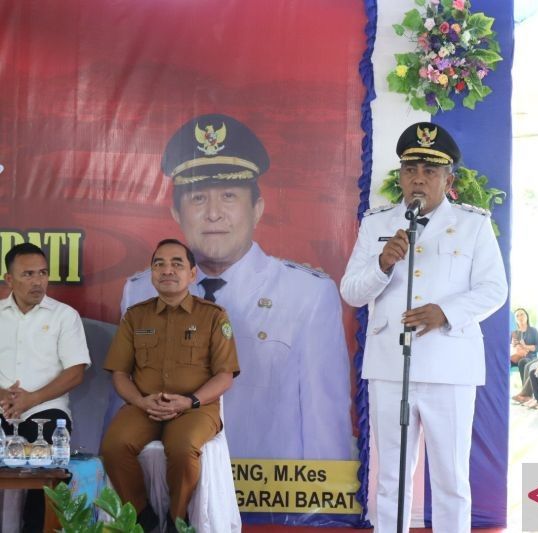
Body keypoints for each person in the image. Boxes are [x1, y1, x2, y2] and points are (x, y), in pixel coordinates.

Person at [120, 113, 352, 460]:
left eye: (229, 196)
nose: (213, 214)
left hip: (271, 492)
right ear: (176, 213)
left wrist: (320, 507)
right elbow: (124, 404)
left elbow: (325, 416)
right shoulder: (141, 291)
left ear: (257, 208)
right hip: (171, 486)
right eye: (198, 198)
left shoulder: (306, 294)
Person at [340, 122, 507, 533]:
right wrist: (382, 265)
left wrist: (445, 313)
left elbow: (494, 290)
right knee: (391, 477)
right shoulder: (377, 223)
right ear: (400, 176)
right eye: (411, 169)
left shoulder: (473, 224)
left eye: (430, 171)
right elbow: (351, 292)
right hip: (389, 367)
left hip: (449, 368)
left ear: (448, 180)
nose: (418, 178)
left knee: (450, 478)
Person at [101, 239, 239, 532]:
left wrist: (190, 401)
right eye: (159, 264)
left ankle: (178, 520)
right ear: (151, 273)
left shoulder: (213, 316)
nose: (167, 270)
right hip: (144, 406)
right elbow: (120, 374)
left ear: (192, 274)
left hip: (195, 408)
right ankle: (142, 515)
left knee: (182, 447)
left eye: (177, 264)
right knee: (113, 446)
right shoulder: (135, 317)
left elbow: (224, 375)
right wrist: (140, 401)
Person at [0, 242, 91, 533]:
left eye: (43, 273)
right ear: (9, 279)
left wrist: (31, 399)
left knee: (49, 468)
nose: (38, 281)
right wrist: (4, 396)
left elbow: (76, 372)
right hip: (1, 406)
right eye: (28, 274)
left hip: (46, 409)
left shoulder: (64, 316)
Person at [510, 307, 538, 391]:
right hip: (516, 356)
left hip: (530, 357)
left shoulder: (534, 331)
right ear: (515, 319)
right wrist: (512, 344)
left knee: (523, 362)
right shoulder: (514, 332)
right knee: (504, 362)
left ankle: (525, 392)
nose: (520, 317)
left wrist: (525, 346)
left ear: (527, 316)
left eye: (522, 314)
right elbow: (510, 347)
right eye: (517, 316)